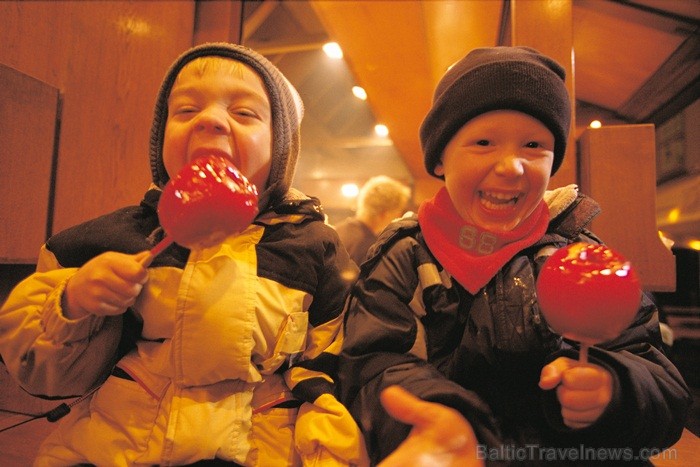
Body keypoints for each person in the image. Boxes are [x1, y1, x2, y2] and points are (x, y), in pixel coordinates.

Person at [0, 43, 367, 466]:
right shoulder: (115, 238)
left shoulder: (312, 247)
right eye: (186, 111)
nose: (210, 119)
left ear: (281, 150)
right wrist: (73, 302)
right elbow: (42, 372)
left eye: (244, 113)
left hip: (258, 444)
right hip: (122, 444)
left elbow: (328, 364)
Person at [338, 46, 691, 466]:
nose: (512, 166)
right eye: (483, 142)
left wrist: (616, 388)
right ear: (439, 160)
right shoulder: (408, 258)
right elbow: (371, 368)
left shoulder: (582, 255)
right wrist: (438, 417)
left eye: (534, 145)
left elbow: (659, 378)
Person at [334, 175, 411, 266]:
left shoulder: (337, 230)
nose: (398, 217)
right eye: (398, 211)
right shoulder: (370, 245)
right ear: (385, 213)